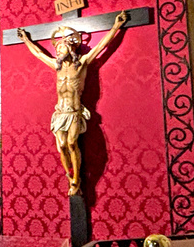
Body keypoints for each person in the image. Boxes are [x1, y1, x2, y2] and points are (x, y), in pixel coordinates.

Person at [16, 11, 129, 197]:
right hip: (60, 112)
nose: (59, 51)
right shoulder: (56, 66)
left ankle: (77, 178)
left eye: (62, 47)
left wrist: (116, 26)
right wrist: (26, 40)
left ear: (71, 48)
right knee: (61, 146)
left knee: (71, 143)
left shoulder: (82, 63)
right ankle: (70, 176)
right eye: (58, 48)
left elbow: (102, 46)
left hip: (75, 111)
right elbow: (38, 53)